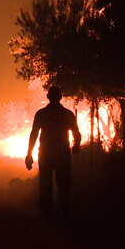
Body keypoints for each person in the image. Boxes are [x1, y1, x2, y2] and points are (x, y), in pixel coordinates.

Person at [26, 85, 81, 220]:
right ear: (61, 97)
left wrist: (29, 154)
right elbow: (76, 132)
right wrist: (76, 145)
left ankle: (47, 216)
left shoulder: (41, 114)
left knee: (45, 185)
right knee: (64, 185)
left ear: (48, 97)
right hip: (62, 153)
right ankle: (61, 214)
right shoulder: (67, 114)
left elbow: (34, 134)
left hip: (45, 153)